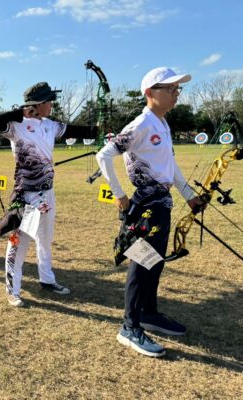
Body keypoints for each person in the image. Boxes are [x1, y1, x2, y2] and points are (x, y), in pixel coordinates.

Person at [96, 67, 204, 358]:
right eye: (169, 89)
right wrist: (120, 197)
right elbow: (103, 155)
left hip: (161, 204)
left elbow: (169, 167)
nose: (175, 93)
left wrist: (189, 195)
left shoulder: (162, 124)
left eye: (176, 89)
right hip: (143, 208)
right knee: (140, 265)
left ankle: (148, 313)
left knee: (155, 263)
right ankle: (129, 327)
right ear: (150, 93)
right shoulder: (142, 123)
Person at [0, 82, 98, 307]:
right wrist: (22, 112)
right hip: (27, 195)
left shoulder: (51, 125)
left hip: (47, 193)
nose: (51, 104)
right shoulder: (15, 125)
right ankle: (13, 289)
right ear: (37, 105)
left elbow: (80, 130)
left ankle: (47, 280)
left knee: (45, 240)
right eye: (48, 101)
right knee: (19, 244)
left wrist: (99, 126)